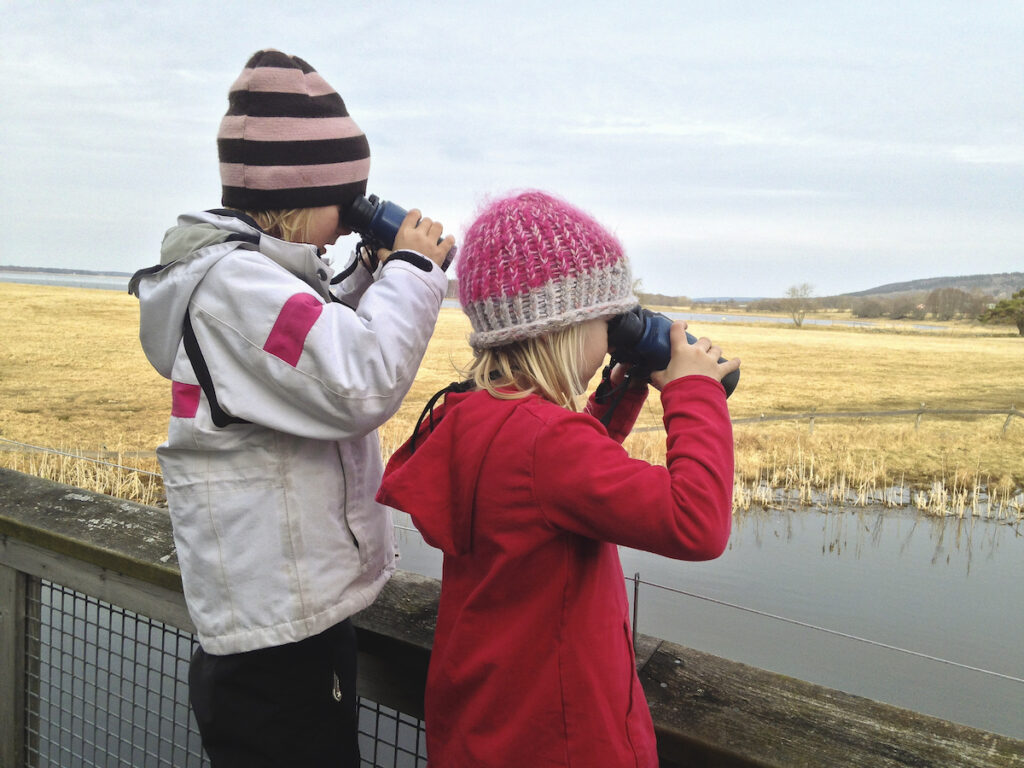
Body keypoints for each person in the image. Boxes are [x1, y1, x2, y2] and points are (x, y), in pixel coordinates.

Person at [129, 49, 454, 767]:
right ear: (302, 194)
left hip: (287, 621)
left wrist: (373, 271)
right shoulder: (235, 285)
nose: (347, 222)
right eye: (346, 199)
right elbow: (354, 379)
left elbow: (316, 348)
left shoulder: (245, 279)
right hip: (276, 642)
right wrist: (415, 270)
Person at [376, 190, 740, 767]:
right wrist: (695, 390)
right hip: (565, 743)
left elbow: (537, 490)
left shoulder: (469, 414)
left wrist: (615, 398)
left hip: (482, 729)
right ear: (565, 328)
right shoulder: (549, 445)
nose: (613, 335)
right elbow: (697, 524)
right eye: (608, 320)